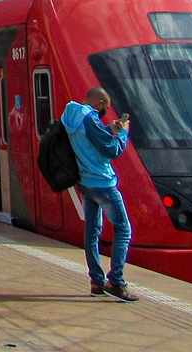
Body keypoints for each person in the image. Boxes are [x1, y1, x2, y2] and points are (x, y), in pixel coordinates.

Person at [61, 87, 136, 302]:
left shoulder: (72, 115)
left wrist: (110, 129)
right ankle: (116, 281)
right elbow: (111, 150)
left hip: (85, 181)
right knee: (123, 229)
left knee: (92, 231)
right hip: (103, 183)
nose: (106, 111)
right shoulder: (89, 118)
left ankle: (96, 281)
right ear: (101, 102)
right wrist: (122, 133)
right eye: (106, 106)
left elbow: (92, 139)